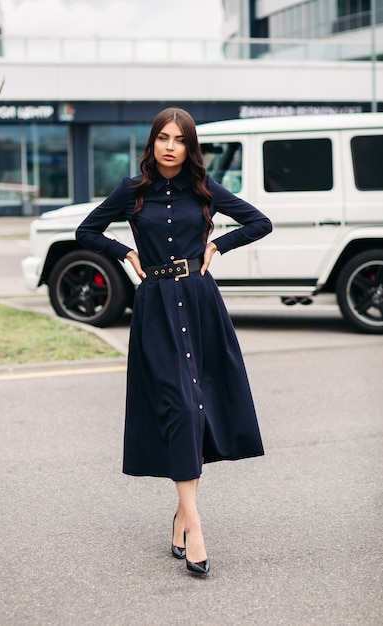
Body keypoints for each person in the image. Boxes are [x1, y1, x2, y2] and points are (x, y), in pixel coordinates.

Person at [76, 107, 272, 575]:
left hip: (200, 303)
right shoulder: (131, 191)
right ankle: (196, 525)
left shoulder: (204, 191)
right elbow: (86, 230)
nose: (170, 146)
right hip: (155, 310)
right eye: (163, 137)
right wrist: (123, 252)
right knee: (180, 408)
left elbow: (260, 222)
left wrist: (217, 245)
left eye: (179, 139)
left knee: (199, 409)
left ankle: (182, 517)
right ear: (152, 143)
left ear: (189, 146)